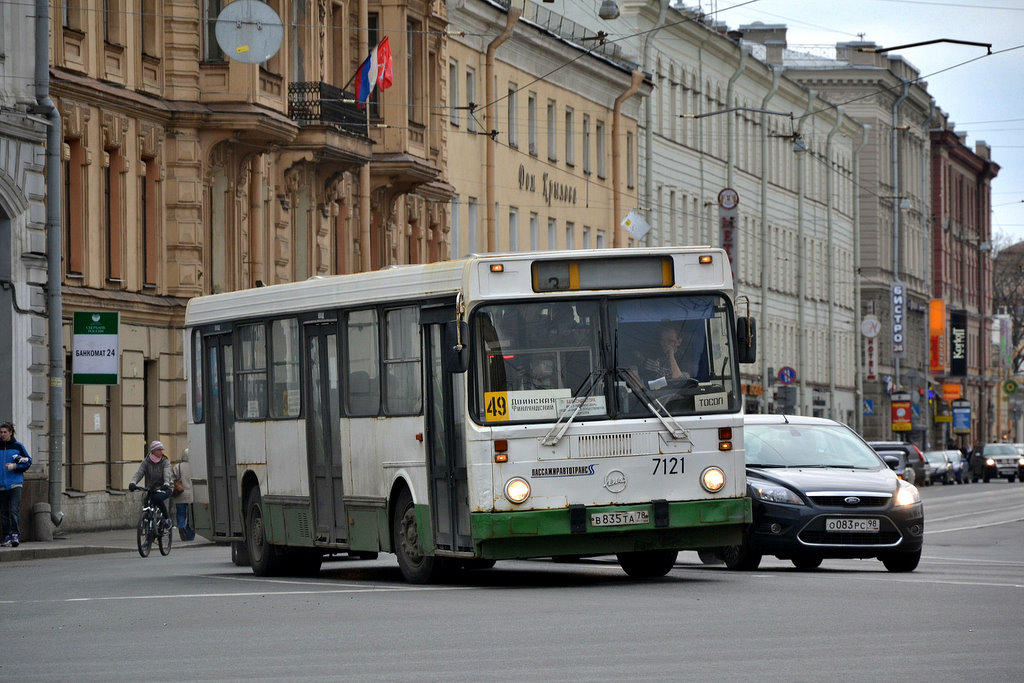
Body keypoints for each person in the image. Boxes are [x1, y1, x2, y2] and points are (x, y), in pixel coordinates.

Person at [0, 421, 32, 547]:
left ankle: (15, 535)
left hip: (15, 484)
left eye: (5, 432)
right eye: (1, 432)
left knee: (13, 509)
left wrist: (15, 466)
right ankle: (6, 536)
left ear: (11, 433)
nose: (2, 434)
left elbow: (28, 461)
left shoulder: (17, 446)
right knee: (4, 512)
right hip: (1, 484)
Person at [129, 441, 173, 530]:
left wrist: (166, 483)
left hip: (165, 487)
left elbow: (166, 473)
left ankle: (167, 519)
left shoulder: (165, 461)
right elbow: (139, 473)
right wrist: (133, 482)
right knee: (146, 501)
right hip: (152, 488)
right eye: (159, 450)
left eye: (162, 450)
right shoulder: (146, 462)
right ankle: (148, 530)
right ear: (153, 451)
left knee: (158, 498)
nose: (162, 452)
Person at [172, 448, 196, 541]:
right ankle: (189, 535)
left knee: (181, 514)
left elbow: (172, 478)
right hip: (192, 495)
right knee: (191, 517)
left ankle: (181, 526)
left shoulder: (177, 466)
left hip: (180, 494)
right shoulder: (195, 466)